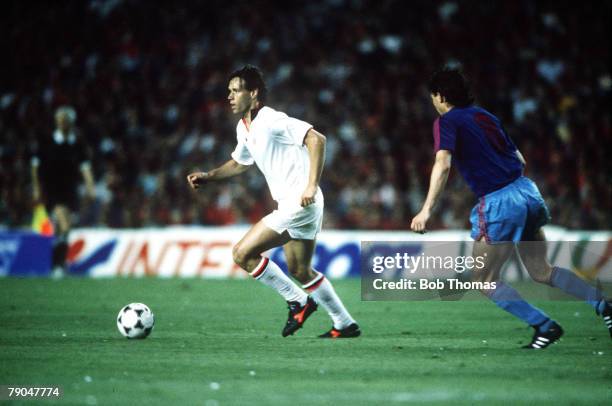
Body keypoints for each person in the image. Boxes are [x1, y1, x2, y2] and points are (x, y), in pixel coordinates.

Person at [411, 67, 611, 349]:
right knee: (541, 270)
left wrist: (426, 209)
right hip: (527, 192)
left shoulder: (447, 121)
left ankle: (545, 325)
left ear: (441, 96)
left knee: (484, 278)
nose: (433, 102)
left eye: (433, 96)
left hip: (500, 201)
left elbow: (443, 163)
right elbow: (520, 158)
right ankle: (602, 303)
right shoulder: (486, 116)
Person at [187, 65, 360, 338]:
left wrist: (311, 185)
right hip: (300, 205)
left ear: (253, 93)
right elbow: (239, 162)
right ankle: (345, 324)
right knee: (300, 270)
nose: (229, 97)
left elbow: (317, 140)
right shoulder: (244, 128)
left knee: (241, 254)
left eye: (236, 91)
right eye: (228, 91)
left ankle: (298, 302)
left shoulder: (271, 120)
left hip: (299, 202)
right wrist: (209, 176)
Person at [31, 106, 96, 277]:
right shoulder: (46, 141)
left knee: (63, 230)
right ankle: (58, 266)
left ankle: (56, 265)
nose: (63, 123)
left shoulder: (78, 144)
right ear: (57, 122)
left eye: (66, 120)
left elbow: (85, 167)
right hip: (52, 190)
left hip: (70, 191)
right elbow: (35, 166)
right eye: (61, 119)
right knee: (64, 225)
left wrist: (90, 186)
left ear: (71, 122)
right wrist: (37, 188)